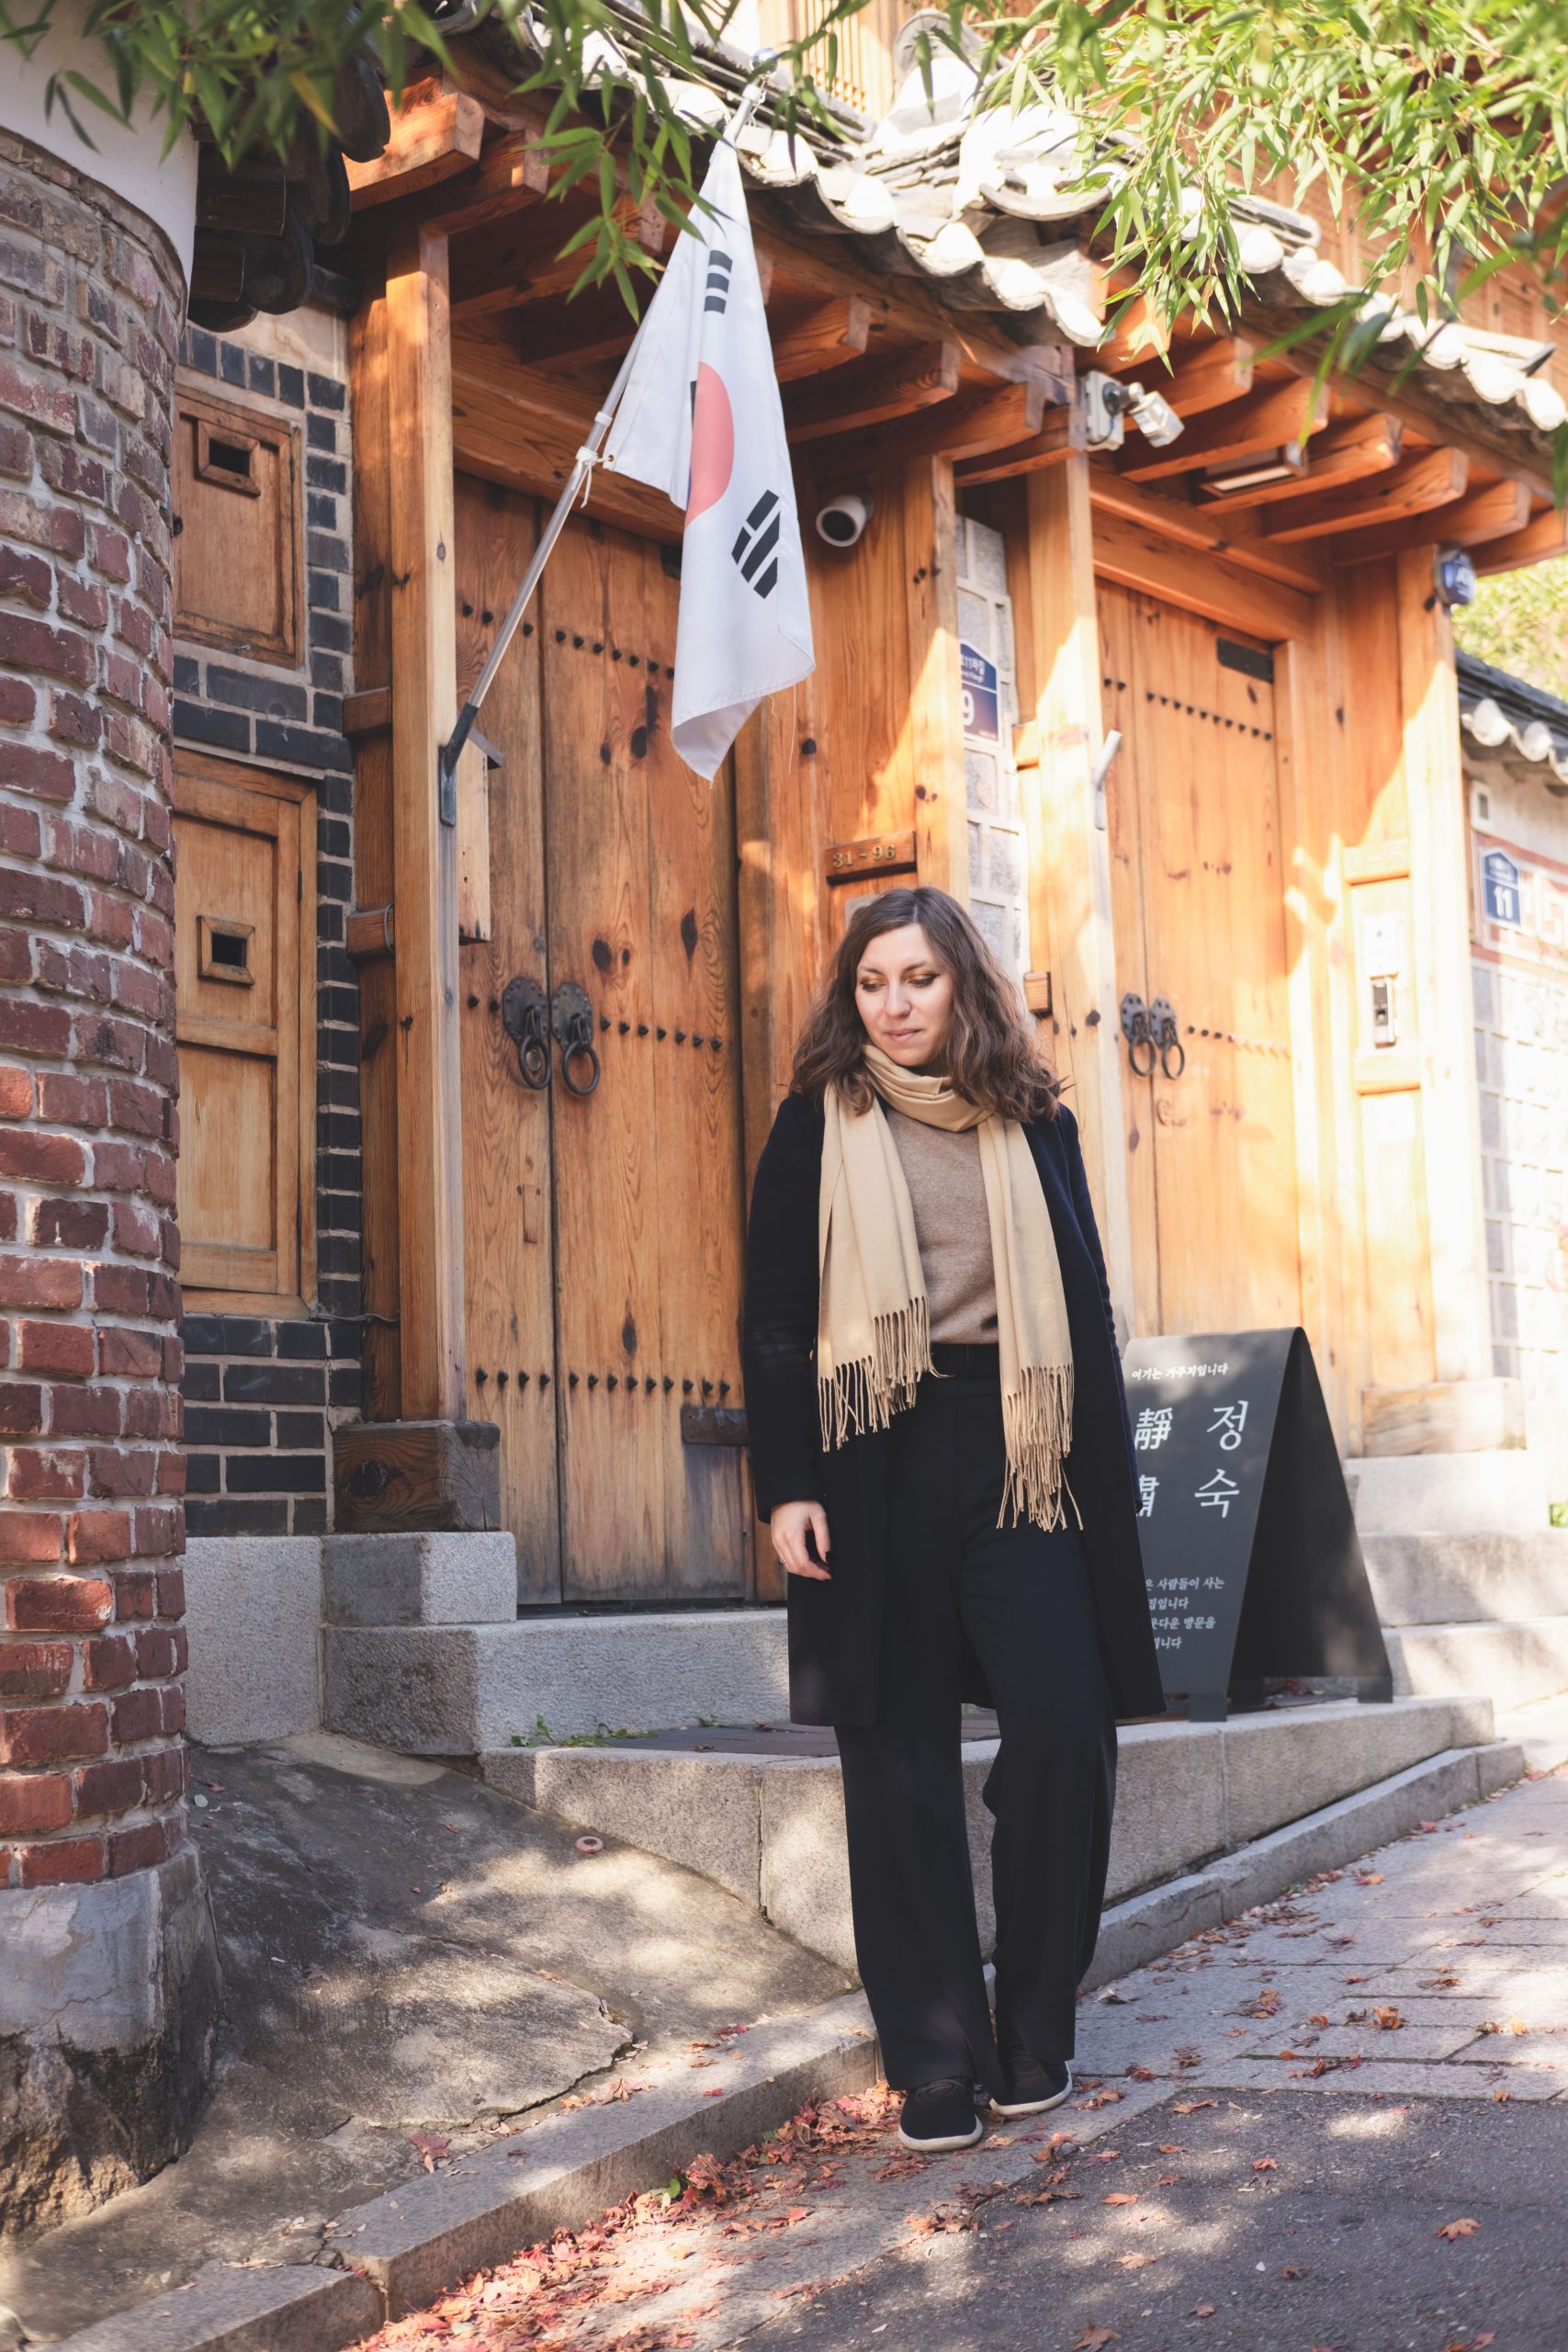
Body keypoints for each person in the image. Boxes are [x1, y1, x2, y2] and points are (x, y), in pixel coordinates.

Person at [742, 886, 1164, 2154]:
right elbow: (772, 1312)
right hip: (870, 1449)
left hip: (1020, 1451)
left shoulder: (1036, 1123)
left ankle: (1035, 2020)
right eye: (872, 985)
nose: (895, 1005)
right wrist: (789, 1485)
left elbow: (1083, 1306)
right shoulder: (814, 1125)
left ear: (963, 984)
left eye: (917, 979)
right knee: (896, 1753)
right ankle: (933, 2054)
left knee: (1062, 1720)